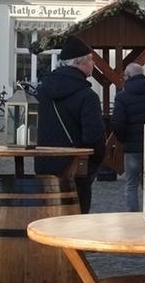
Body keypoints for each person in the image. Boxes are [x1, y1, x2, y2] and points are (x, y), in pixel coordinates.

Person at [36, 37, 107, 214]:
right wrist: (93, 165)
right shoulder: (87, 96)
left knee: (49, 220)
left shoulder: (43, 92)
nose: (93, 64)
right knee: (75, 222)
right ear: (78, 63)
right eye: (91, 59)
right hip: (76, 170)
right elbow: (94, 137)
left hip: (45, 167)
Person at [110, 61, 145, 214]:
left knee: (131, 184)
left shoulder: (122, 97)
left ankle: (132, 216)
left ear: (128, 77)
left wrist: (124, 140)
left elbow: (117, 124)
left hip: (133, 149)